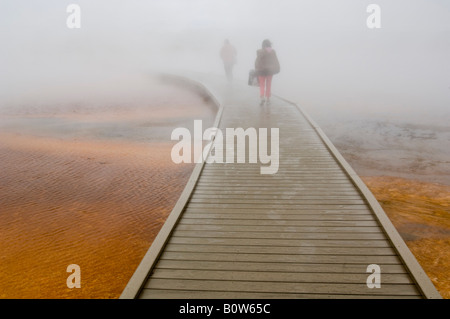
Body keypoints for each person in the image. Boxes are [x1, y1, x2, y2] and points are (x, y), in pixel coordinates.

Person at [255, 39, 280, 105]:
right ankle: (268, 99)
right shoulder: (272, 52)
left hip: (261, 71)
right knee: (268, 84)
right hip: (270, 71)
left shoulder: (260, 52)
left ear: (263, 45)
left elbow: (257, 61)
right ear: (269, 44)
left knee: (262, 85)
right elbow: (275, 60)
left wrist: (256, 69)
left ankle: (262, 97)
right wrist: (277, 68)